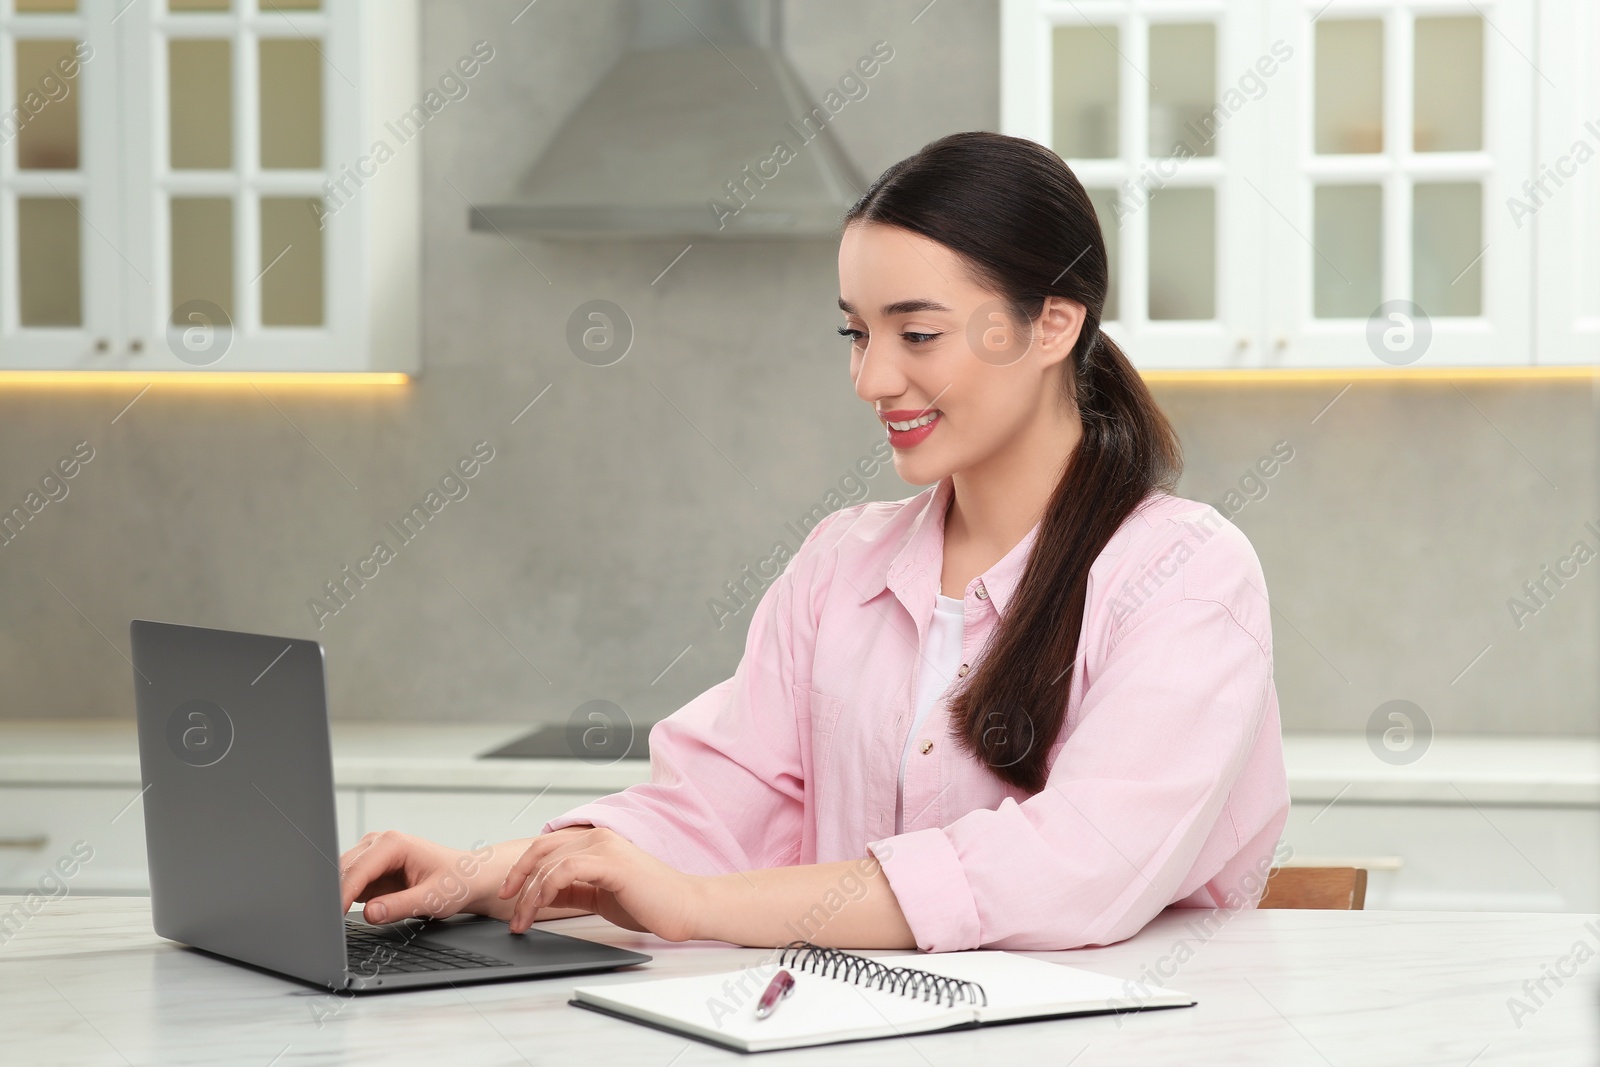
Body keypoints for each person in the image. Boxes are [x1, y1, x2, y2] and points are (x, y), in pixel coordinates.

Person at [339, 131, 1289, 953]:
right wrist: (484, 871)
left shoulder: (1184, 575)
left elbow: (1076, 868)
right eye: (855, 332)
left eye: (916, 334)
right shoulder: (843, 562)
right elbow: (713, 808)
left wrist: (698, 907)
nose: (872, 379)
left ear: (1052, 324)